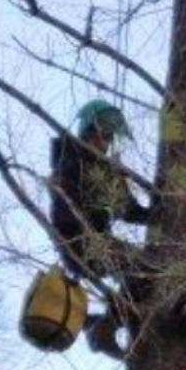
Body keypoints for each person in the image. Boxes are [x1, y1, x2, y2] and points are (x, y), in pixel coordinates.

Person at [49, 99, 151, 355]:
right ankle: (102, 328)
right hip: (81, 243)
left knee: (147, 274)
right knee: (144, 267)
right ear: (87, 132)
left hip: (93, 243)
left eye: (109, 137)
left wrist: (160, 208)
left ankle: (99, 323)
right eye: (101, 135)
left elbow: (129, 211)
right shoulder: (73, 160)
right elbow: (81, 195)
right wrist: (112, 176)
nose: (104, 143)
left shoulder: (95, 165)